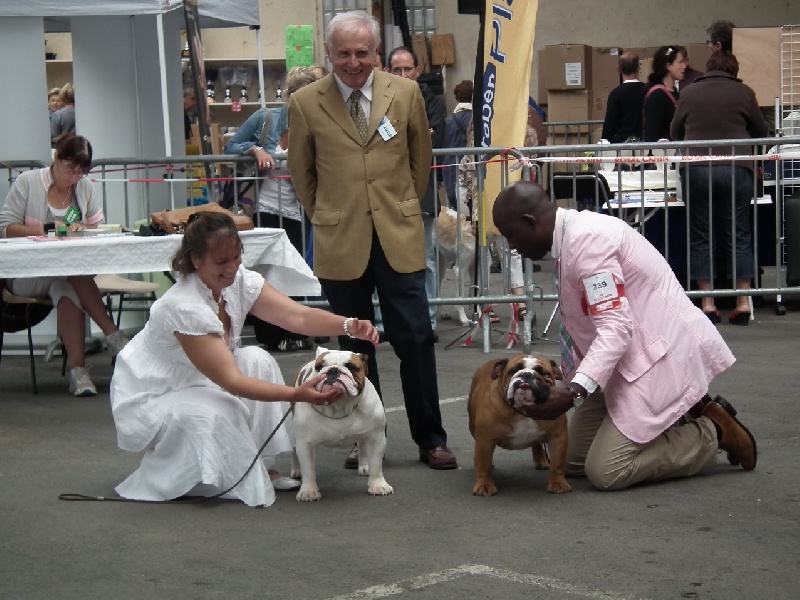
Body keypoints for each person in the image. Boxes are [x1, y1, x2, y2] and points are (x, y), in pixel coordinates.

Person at [491, 180, 757, 491]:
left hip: (655, 360)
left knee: (607, 471)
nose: (511, 246)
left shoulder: (589, 245)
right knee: (570, 459)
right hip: (622, 364)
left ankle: (711, 431)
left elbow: (615, 328)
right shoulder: (570, 239)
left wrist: (575, 390)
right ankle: (666, 422)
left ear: (530, 222)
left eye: (511, 236)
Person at [109, 212, 379, 507]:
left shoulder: (240, 280)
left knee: (257, 359)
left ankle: (265, 463)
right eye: (222, 262)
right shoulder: (182, 305)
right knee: (220, 405)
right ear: (196, 260)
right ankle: (201, 478)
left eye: (237, 257)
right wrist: (299, 394)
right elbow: (232, 382)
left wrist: (348, 324)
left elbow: (296, 316)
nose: (232, 268)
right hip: (156, 392)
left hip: (200, 378)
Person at [287, 10, 457, 470]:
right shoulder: (305, 103)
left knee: (416, 337)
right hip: (340, 240)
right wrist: (327, 212)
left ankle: (431, 438)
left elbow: (420, 159)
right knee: (355, 347)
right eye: (343, 53)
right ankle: (364, 439)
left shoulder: (405, 94)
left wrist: (400, 202)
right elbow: (302, 173)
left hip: (397, 234)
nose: (353, 62)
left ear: (376, 54)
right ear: (328, 53)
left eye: (362, 53)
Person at [0, 133, 129, 396]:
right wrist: (46, 228)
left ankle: (78, 373)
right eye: (71, 169)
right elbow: (5, 229)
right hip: (28, 273)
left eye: (81, 173)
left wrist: (85, 228)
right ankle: (115, 337)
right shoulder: (28, 182)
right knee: (72, 273)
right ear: (56, 158)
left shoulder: (84, 187)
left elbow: (98, 228)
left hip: (67, 273)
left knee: (67, 285)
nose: (74, 178)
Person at [224, 66, 322, 352]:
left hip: (298, 209)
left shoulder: (315, 124)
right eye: (298, 96)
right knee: (268, 271)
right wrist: (255, 150)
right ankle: (270, 333)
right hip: (262, 206)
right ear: (288, 97)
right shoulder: (265, 118)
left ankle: (293, 329)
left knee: (292, 269)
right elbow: (231, 146)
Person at [671, 51, 768, 325]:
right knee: (739, 234)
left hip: (697, 169)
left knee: (701, 236)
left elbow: (675, 131)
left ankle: (708, 303)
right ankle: (742, 302)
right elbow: (762, 131)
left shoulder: (689, 92)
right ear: (733, 71)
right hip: (737, 169)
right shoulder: (744, 92)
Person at [386, 45, 446, 337]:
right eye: (396, 69)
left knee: (427, 259)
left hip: (421, 193)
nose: (402, 74)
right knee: (385, 259)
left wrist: (401, 134)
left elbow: (433, 136)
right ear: (387, 71)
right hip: (386, 195)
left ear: (417, 71)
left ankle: (429, 320)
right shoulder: (379, 102)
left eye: (407, 68)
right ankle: (385, 323)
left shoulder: (431, 100)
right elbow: (381, 139)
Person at [642, 46, 686, 142]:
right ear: (668, 66)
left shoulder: (674, 91)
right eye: (680, 62)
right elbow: (651, 132)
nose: (684, 66)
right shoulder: (657, 96)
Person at [601, 52, 645, 143]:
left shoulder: (615, 94)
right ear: (638, 68)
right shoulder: (648, 91)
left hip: (622, 144)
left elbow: (610, 124)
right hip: (646, 143)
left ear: (618, 69)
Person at [442, 79, 474, 208]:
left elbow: (441, 145)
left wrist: (439, 177)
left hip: (450, 169)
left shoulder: (447, 121)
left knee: (455, 214)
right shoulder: (476, 119)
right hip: (471, 170)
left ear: (456, 97)